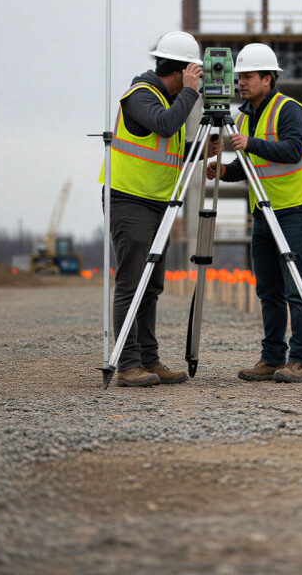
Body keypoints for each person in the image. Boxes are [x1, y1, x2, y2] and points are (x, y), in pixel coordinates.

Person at [100, 31, 219, 387]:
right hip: (130, 199)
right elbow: (166, 126)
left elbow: (169, 153)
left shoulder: (168, 102)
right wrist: (190, 92)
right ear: (182, 70)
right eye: (194, 72)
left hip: (159, 204)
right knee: (132, 283)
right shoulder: (140, 95)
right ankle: (128, 364)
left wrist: (202, 151)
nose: (198, 78)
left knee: (151, 286)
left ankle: (149, 360)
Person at [207, 43, 302, 384]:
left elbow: (292, 150)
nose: (241, 82)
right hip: (263, 210)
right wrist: (225, 171)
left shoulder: (289, 110)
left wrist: (250, 143)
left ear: (268, 79)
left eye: (248, 76)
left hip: (296, 208)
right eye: (239, 76)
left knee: (296, 287)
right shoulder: (244, 116)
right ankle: (272, 358)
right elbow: (250, 164)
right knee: (268, 290)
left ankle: (300, 360)